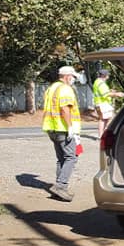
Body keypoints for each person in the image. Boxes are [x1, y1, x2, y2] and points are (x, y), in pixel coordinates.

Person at [41, 65, 82, 202]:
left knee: (61, 159)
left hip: (51, 128)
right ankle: (61, 186)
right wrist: (70, 127)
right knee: (71, 157)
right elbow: (64, 109)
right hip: (63, 129)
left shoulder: (52, 88)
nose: (73, 79)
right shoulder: (65, 89)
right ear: (67, 76)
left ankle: (58, 189)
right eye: (73, 77)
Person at [92, 68, 124, 139]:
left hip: (99, 103)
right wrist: (117, 94)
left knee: (103, 119)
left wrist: (110, 91)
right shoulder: (101, 83)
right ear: (104, 75)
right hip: (103, 104)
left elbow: (103, 92)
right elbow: (105, 94)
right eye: (108, 75)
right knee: (108, 119)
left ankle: (101, 135)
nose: (108, 76)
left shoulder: (97, 82)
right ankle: (104, 135)